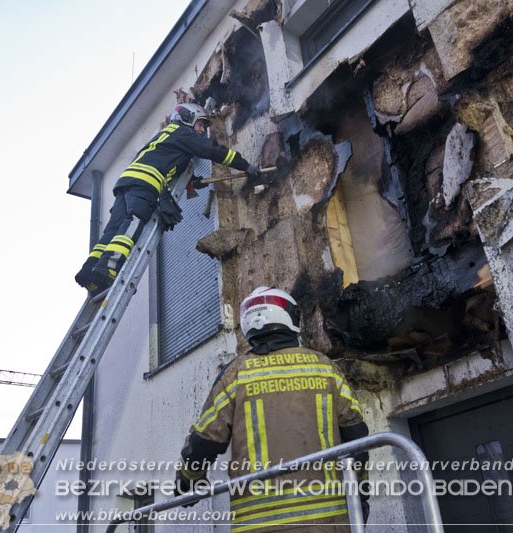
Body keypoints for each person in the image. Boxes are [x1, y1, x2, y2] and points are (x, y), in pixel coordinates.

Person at [176, 287, 370, 532]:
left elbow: (203, 443)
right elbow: (357, 439)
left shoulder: (237, 374)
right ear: (291, 319)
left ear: (249, 325)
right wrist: (361, 496)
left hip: (259, 524)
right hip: (328, 522)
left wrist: (187, 484)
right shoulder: (324, 368)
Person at [74, 102, 259, 295]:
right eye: (201, 124)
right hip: (145, 183)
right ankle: (110, 266)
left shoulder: (166, 135)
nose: (202, 130)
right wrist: (245, 165)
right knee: (134, 221)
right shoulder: (182, 132)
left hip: (126, 183)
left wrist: (193, 182)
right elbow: (212, 150)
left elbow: (168, 164)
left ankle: (90, 271)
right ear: (187, 118)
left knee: (113, 228)